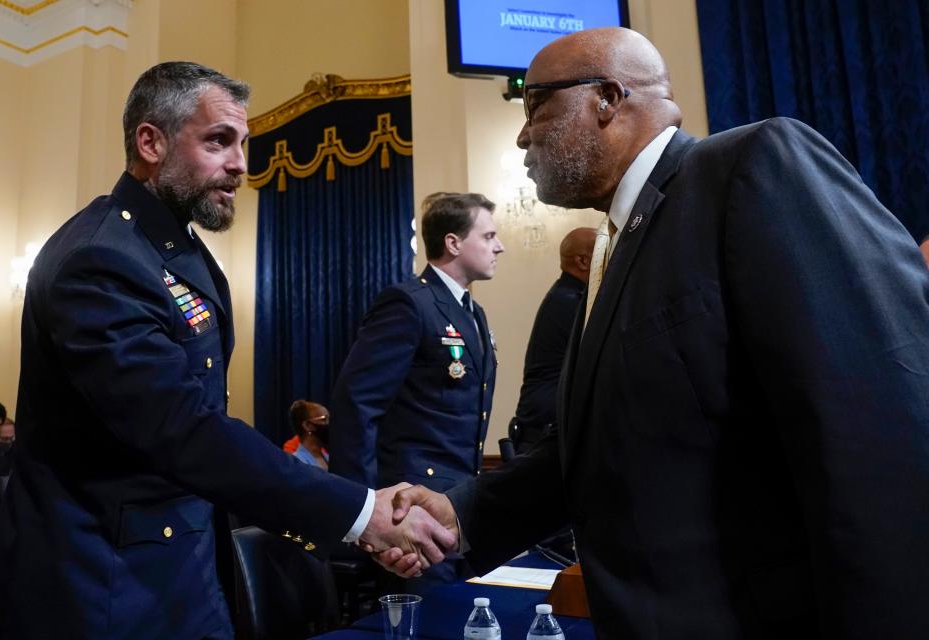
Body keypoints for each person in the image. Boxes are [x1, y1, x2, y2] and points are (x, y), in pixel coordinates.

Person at [380, 27, 929, 639]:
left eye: (535, 105)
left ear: (607, 99)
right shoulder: (614, 247)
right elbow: (598, 449)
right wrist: (463, 510)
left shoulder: (751, 167)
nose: (522, 134)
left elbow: (882, 425)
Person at [0, 61, 453, 640]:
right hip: (102, 589)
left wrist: (351, 522)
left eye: (245, 144)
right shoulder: (99, 258)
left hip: (181, 575)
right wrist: (359, 516)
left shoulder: (174, 251)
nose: (240, 165)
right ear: (150, 142)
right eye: (218, 141)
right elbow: (185, 431)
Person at [329, 191, 504, 590]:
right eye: (489, 235)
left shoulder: (474, 313)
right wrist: (360, 508)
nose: (500, 246)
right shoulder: (409, 303)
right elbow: (357, 401)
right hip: (410, 504)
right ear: (453, 242)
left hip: (459, 500)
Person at [510, 227, 595, 453]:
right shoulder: (570, 302)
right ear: (583, 261)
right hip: (543, 435)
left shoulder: (569, 295)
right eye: (605, 250)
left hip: (546, 429)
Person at [287, 399, 330, 470]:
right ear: (307, 425)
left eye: (329, 419)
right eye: (324, 419)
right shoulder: (298, 462)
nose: (328, 424)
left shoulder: (329, 458)